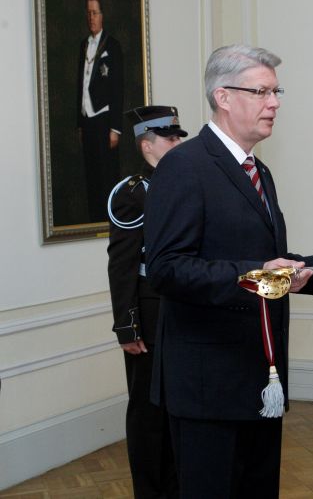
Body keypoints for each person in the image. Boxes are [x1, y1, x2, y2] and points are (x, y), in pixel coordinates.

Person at [143, 44, 313, 499]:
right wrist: (257, 273)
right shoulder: (184, 166)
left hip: (259, 378)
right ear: (223, 96)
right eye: (261, 92)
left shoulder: (258, 170)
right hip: (207, 387)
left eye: (276, 92)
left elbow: (268, 259)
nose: (274, 103)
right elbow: (166, 269)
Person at [107, 105, 187, 498]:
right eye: (169, 138)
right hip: (149, 315)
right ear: (146, 145)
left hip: (183, 311)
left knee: (178, 408)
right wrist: (127, 326)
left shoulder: (183, 183)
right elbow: (122, 264)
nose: (177, 143)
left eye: (178, 137)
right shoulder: (133, 193)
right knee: (148, 412)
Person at [77, 0, 123, 222]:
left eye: (95, 13)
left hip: (105, 120)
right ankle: (94, 220)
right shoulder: (83, 45)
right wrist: (79, 122)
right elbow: (79, 85)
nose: (91, 18)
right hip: (87, 119)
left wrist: (115, 128)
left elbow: (118, 88)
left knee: (107, 175)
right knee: (91, 174)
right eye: (88, 13)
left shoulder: (112, 46)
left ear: (102, 15)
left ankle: (110, 221)